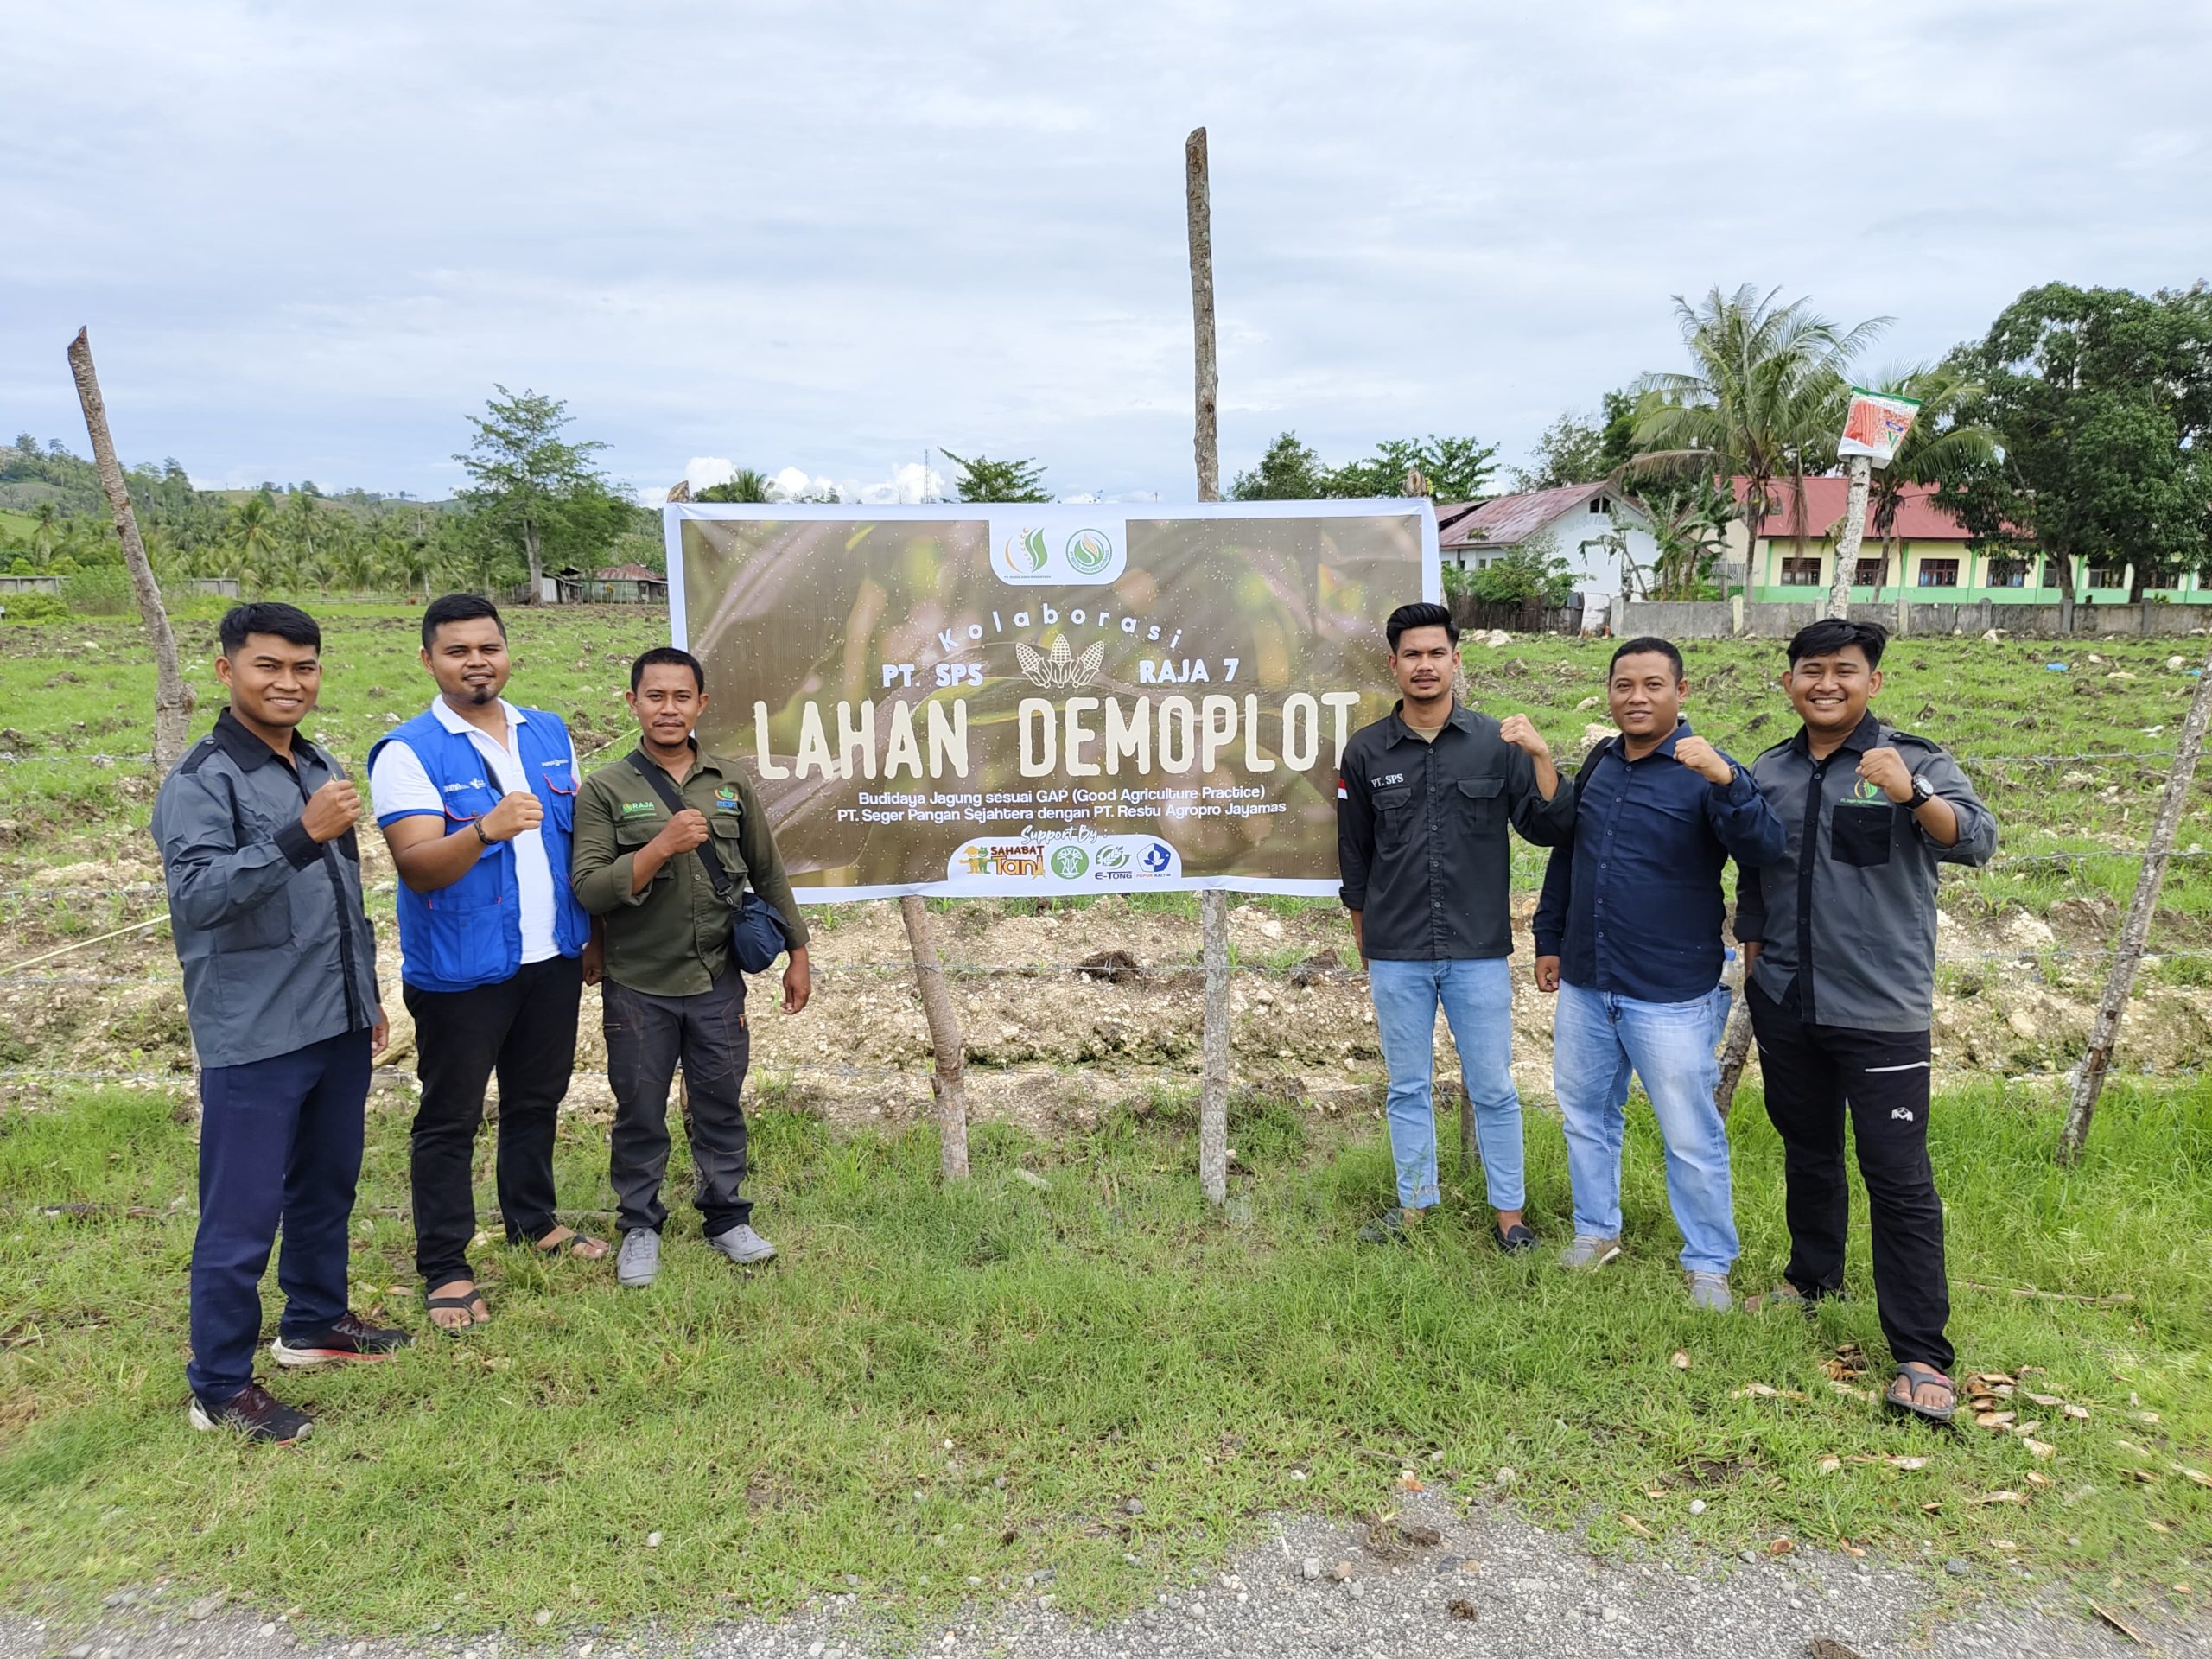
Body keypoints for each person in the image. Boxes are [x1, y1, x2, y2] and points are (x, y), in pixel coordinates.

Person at [152, 602, 407, 1445]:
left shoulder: (312, 762)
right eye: (269, 666)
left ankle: (313, 1325)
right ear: (226, 672)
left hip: (332, 1022)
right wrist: (299, 836)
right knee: (242, 1212)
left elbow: (342, 901)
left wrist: (364, 1000)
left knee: (325, 1186)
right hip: (256, 1034)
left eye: (304, 667)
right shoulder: (203, 780)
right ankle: (219, 1385)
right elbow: (197, 900)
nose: (288, 682)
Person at [1735, 617, 1996, 1424]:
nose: (1826, 684)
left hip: (1880, 1010)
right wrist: (1753, 966)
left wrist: (1910, 795)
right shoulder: (1770, 770)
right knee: (1808, 1149)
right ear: (1789, 682)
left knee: (1898, 1176)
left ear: (1871, 681)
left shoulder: (1912, 760)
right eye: (1811, 670)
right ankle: (1812, 1277)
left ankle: (1921, 1352)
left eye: (1844, 670)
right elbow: (1757, 868)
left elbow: (1977, 840)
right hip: (1786, 999)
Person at [366, 594, 604, 1333]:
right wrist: (486, 829)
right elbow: (419, 866)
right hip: (461, 972)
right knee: (450, 1117)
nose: (476, 661)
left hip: (550, 958)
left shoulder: (547, 731)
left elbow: (568, 843)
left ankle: (533, 1222)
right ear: (430, 660)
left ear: (507, 652)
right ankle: (445, 1264)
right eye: (458, 650)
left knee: (537, 1100)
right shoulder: (409, 751)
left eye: (488, 648)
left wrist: (588, 935)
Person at [1532, 637, 1783, 1309]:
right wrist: (1548, 938)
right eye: (1623, 686)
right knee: (1586, 1114)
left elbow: (1765, 848)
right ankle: (1595, 1232)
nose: (1636, 698)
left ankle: (1707, 1264)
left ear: (1682, 692)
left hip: (1671, 991)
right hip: (1589, 981)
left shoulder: (1706, 769)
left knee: (1688, 1131)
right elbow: (1569, 855)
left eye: (1652, 685)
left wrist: (1728, 781)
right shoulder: (1602, 762)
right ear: (1610, 693)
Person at [1336, 601, 1576, 1250]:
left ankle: (1510, 1217)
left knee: (1494, 1086)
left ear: (1455, 661)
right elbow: (1354, 855)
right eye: (1411, 654)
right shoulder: (1365, 752)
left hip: (1476, 950)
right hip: (1396, 949)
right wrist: (1365, 936)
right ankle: (1414, 1208)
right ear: (1393, 665)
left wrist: (1543, 756)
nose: (1424, 665)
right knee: (1407, 1086)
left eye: (1436, 653)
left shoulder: (1496, 745)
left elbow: (1548, 826)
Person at [570, 647, 813, 1288]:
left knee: (719, 1104)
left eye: (682, 697)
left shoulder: (730, 784)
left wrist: (799, 952)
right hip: (637, 983)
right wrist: (661, 845)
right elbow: (591, 888)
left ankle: (727, 1217)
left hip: (716, 981)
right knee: (640, 1112)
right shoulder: (603, 789)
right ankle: (641, 1226)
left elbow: (769, 872)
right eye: (655, 696)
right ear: (633, 703)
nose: (668, 709)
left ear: (701, 705)